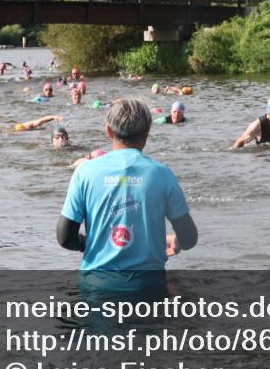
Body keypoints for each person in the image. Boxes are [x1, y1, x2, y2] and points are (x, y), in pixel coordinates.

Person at [56, 99, 198, 290]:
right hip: (148, 288)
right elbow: (189, 238)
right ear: (147, 132)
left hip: (97, 286)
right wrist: (177, 242)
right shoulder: (162, 174)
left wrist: (88, 243)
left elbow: (65, 237)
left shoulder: (85, 172)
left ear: (109, 131)